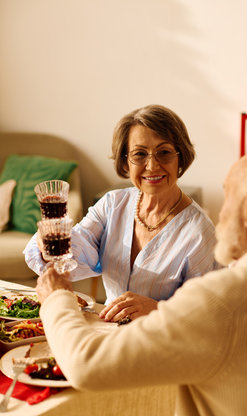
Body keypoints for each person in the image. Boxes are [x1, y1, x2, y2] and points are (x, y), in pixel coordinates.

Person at [36, 150, 247, 416]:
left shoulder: (223, 299)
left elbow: (87, 364)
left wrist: (57, 298)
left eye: (228, 199)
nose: (221, 213)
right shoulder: (114, 204)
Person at [24, 104, 218, 321]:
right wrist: (47, 246)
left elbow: (208, 315)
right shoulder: (112, 205)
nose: (152, 166)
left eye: (164, 152)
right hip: (108, 332)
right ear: (125, 161)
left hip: (163, 344)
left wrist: (157, 309)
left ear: (180, 157)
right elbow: (75, 260)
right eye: (140, 154)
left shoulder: (200, 232)